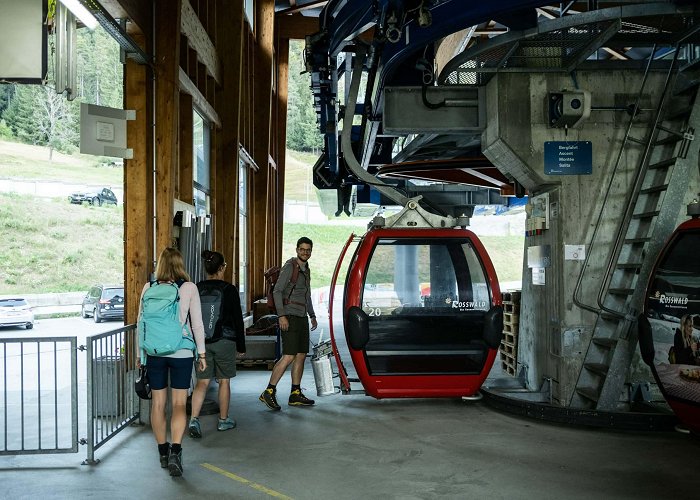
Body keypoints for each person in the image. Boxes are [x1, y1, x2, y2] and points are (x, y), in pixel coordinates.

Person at [137, 247, 206, 477]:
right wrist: (202, 354)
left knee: (158, 404)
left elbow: (141, 324)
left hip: (155, 352)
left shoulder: (149, 288)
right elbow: (197, 324)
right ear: (180, 264)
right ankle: (176, 450)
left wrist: (141, 356)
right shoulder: (188, 288)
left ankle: (163, 452)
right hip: (182, 352)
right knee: (178, 404)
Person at [189, 250, 246, 438]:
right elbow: (238, 319)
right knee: (224, 381)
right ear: (222, 268)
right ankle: (223, 420)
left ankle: (194, 420)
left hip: (202, 343)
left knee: (202, 382)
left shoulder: (197, 288)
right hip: (225, 341)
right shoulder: (229, 289)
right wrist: (241, 346)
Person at [259, 237, 318, 410]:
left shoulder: (306, 269)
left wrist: (312, 315)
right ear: (297, 250)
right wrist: (281, 316)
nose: (305, 252)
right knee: (289, 355)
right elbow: (277, 291)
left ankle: (295, 394)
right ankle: (268, 391)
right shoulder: (290, 266)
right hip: (289, 315)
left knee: (300, 355)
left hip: (302, 317)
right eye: (302, 249)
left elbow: (307, 295)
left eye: (308, 249)